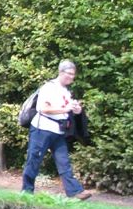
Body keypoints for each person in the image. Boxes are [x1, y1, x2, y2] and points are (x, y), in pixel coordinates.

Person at [21, 60, 91, 200]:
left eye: (73, 74)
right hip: (42, 129)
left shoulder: (66, 91)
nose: (72, 77)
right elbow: (43, 109)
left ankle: (75, 192)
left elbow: (68, 111)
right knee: (34, 160)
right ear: (61, 72)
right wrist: (65, 109)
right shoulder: (49, 87)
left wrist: (76, 111)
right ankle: (27, 192)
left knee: (64, 161)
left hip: (58, 131)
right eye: (69, 74)